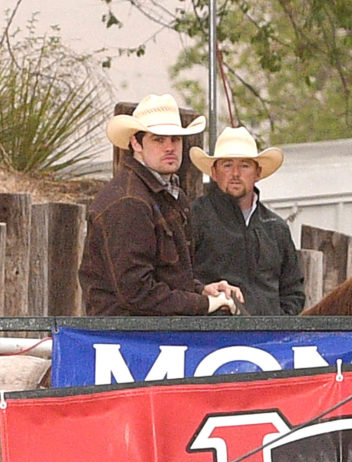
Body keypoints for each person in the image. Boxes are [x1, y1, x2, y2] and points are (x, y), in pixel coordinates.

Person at [81, 95, 238, 316]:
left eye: (175, 139)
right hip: (126, 338)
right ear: (136, 143)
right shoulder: (129, 202)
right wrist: (202, 304)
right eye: (159, 139)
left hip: (147, 338)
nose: (170, 147)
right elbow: (136, 292)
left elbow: (167, 278)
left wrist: (202, 291)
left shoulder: (169, 196)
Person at [188, 127, 304, 316]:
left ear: (257, 172)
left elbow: (293, 291)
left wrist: (279, 324)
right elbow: (179, 280)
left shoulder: (276, 228)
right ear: (214, 172)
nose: (235, 173)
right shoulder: (194, 217)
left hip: (268, 342)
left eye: (244, 165)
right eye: (227, 165)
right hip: (211, 341)